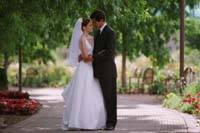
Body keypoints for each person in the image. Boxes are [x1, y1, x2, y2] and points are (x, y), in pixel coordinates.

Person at [61, 18, 106, 130]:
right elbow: (85, 58)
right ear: (83, 27)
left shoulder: (92, 38)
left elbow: (93, 52)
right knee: (83, 94)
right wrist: (98, 58)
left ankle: (92, 121)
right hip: (85, 69)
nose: (92, 27)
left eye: (92, 25)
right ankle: (80, 121)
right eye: (90, 25)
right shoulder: (81, 39)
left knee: (93, 93)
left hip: (91, 68)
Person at [90, 9, 117, 130]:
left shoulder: (110, 32)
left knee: (110, 98)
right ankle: (104, 121)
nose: (94, 24)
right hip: (98, 71)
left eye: (95, 22)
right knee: (102, 98)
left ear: (101, 20)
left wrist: (94, 57)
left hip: (107, 71)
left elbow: (109, 52)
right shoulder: (97, 33)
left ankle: (111, 123)